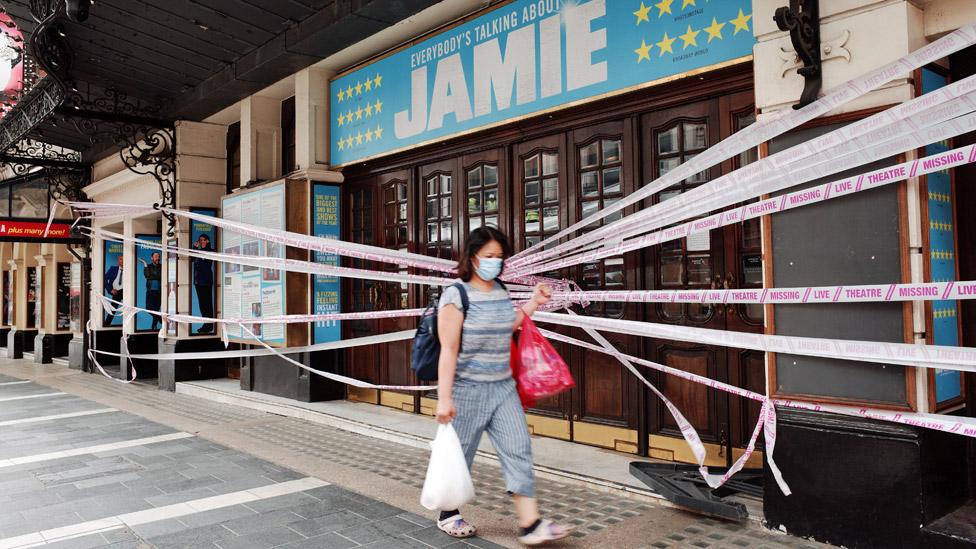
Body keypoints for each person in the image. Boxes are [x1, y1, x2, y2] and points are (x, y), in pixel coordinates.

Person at [435, 226, 570, 546]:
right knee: (460, 455)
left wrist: (534, 302)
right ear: (471, 257)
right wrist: (444, 398)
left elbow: (505, 326)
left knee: (518, 449)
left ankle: (529, 523)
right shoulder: (456, 295)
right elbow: (449, 349)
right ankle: (447, 512)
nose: (495, 262)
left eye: (499, 256)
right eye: (489, 256)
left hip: (503, 388)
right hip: (467, 390)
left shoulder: (499, 289)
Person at [192, 234, 215, 334]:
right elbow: (192, 259)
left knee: (207, 305)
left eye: (203, 240)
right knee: (202, 305)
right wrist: (194, 248)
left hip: (206, 282)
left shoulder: (211, 251)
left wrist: (199, 252)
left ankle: (209, 325)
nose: (201, 242)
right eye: (200, 240)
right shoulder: (198, 251)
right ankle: (206, 324)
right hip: (198, 282)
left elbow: (206, 262)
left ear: (207, 241)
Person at [140, 252, 162, 330]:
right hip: (150, 291)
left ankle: (154, 326)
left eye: (158, 256)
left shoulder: (162, 267)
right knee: (149, 308)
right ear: (152, 258)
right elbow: (147, 276)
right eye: (156, 256)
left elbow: (159, 276)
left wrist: (152, 275)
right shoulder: (148, 266)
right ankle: (163, 321)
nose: (157, 258)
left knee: (156, 310)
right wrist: (145, 264)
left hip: (160, 292)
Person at [103, 255, 123, 326]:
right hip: (116, 291)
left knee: (129, 308)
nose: (122, 261)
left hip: (126, 291)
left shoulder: (129, 270)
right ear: (118, 261)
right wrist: (110, 289)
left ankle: (128, 326)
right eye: (121, 259)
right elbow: (104, 279)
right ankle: (107, 324)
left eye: (124, 259)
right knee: (113, 308)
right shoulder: (113, 269)